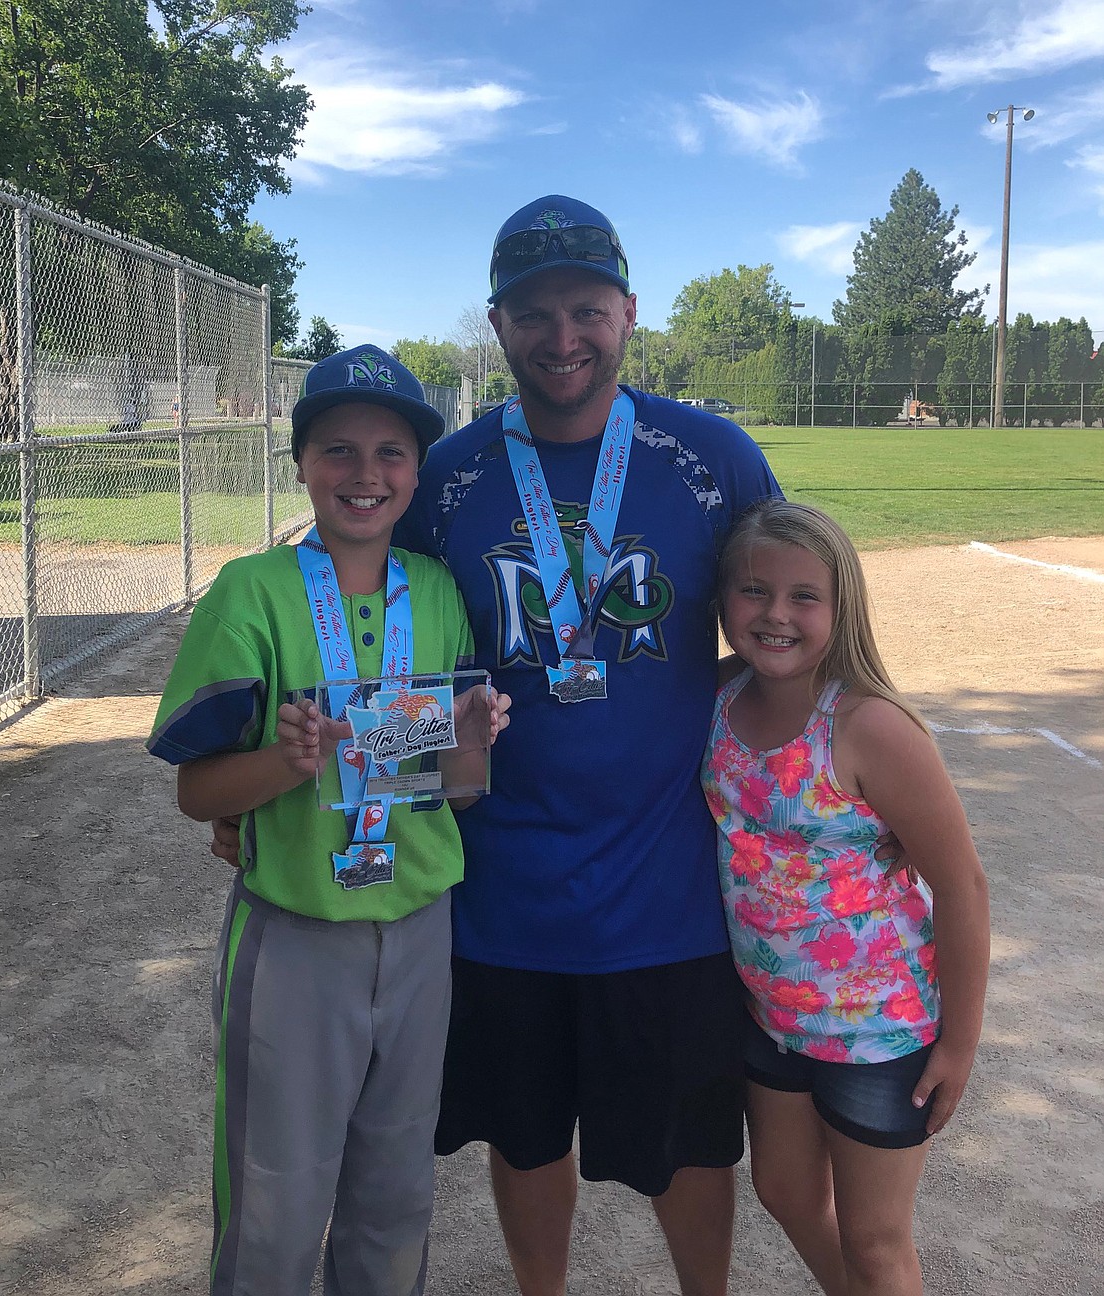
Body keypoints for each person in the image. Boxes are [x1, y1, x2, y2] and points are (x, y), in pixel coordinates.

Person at [391, 195, 783, 1296]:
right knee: (523, 1137)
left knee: (694, 1145)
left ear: (628, 312)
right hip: (500, 895)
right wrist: (284, 784)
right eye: (534, 314)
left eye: (586, 309)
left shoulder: (710, 458)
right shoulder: (449, 480)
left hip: (668, 894)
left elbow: (786, 631)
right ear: (498, 325)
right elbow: (395, 666)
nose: (563, 338)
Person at [148, 344, 510, 1296]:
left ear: (416, 471)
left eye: (392, 453)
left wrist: (473, 733)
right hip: (298, 935)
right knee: (276, 1197)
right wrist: (284, 761)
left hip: (422, 927)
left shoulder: (434, 592)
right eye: (338, 451)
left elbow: (454, 789)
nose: (366, 475)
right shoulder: (250, 591)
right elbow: (197, 793)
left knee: (395, 1193)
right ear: (301, 462)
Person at [703, 500, 990, 1296]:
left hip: (878, 1032)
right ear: (722, 600)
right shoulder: (721, 696)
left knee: (875, 1242)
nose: (776, 615)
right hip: (771, 1015)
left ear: (842, 608)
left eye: (804, 597)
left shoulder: (868, 727)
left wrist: (959, 1043)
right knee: (785, 1193)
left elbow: (962, 886)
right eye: (753, 591)